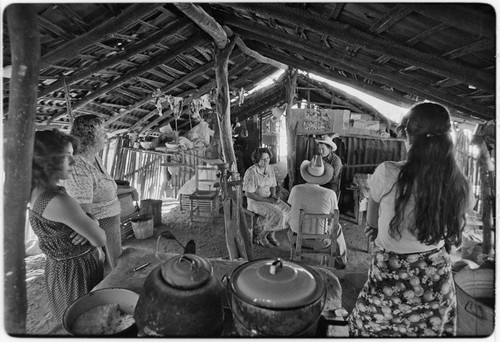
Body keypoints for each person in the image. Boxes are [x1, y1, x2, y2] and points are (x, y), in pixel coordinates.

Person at [348, 102, 471, 337]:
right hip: (435, 283)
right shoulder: (459, 184)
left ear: (408, 136)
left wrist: (377, 231)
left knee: (365, 330)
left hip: (388, 282)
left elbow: (372, 222)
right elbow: (450, 228)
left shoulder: (387, 172)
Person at [29, 129, 106, 321]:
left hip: (59, 270)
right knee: (86, 320)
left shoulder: (37, 191)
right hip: (77, 272)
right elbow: (99, 238)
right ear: (45, 161)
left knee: (72, 318)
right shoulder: (59, 200)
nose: (74, 162)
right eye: (67, 157)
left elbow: (82, 221)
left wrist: (89, 222)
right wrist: (92, 224)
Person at [63, 115, 122, 275]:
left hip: (108, 223)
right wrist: (89, 228)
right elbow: (83, 212)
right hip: (99, 227)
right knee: (108, 269)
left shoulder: (93, 157)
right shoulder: (78, 167)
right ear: (88, 138)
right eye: (102, 133)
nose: (106, 136)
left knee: (114, 263)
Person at [287, 155, 347, 269]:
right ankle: (340, 260)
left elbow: (291, 207)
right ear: (323, 176)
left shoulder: (296, 189)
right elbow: (334, 217)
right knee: (337, 227)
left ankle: (298, 254)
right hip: (320, 242)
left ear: (306, 173)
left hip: (296, 238)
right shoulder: (330, 194)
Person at [242, 147, 290, 247]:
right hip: (255, 201)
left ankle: (271, 233)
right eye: (263, 159)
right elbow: (248, 194)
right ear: (257, 160)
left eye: (267, 158)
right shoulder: (251, 172)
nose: (266, 161)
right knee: (279, 214)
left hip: (268, 198)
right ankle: (262, 236)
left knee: (288, 211)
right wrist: (267, 200)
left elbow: (273, 185)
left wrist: (274, 197)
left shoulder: (270, 168)